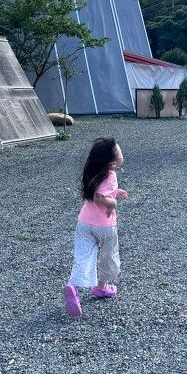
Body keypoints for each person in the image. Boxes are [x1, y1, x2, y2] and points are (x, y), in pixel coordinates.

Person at [63, 136, 129, 318]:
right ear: (113, 163)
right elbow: (100, 197)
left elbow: (98, 190)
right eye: (119, 150)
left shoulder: (92, 171)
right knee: (108, 256)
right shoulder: (111, 175)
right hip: (104, 226)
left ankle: (73, 287)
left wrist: (117, 191)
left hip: (84, 223)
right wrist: (113, 202)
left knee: (83, 256)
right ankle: (101, 287)